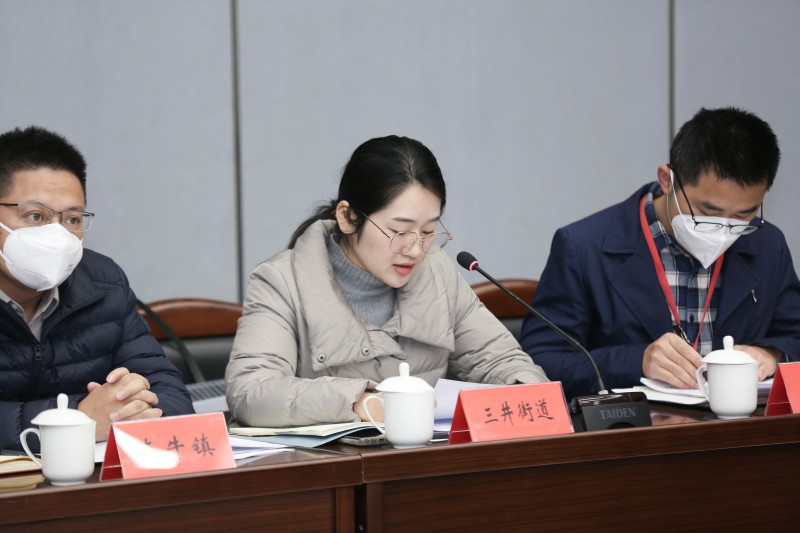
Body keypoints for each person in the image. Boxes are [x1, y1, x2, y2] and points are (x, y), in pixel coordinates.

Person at [226, 135, 548, 427]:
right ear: (347, 217)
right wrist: (362, 402)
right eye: (399, 231)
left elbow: (499, 359)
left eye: (428, 231)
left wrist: (527, 393)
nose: (416, 250)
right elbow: (251, 391)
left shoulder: (437, 270)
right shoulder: (282, 281)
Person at [520, 107, 800, 400]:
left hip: (744, 424)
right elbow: (541, 362)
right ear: (667, 180)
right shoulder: (583, 248)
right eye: (708, 212)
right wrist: (637, 361)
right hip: (636, 426)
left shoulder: (767, 244)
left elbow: (793, 335)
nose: (723, 229)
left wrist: (773, 354)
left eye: (743, 215)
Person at [0, 126, 193, 450]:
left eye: (72, 219)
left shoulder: (103, 283)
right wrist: (78, 420)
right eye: (35, 216)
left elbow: (171, 394)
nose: (58, 235)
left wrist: (131, 407)